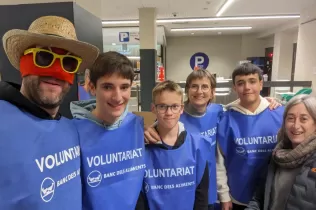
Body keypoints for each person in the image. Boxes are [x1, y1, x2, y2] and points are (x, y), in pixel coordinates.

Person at [144, 69, 281, 210]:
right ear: (187, 90)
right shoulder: (176, 116)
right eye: (194, 86)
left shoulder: (219, 112)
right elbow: (160, 125)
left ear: (212, 91)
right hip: (179, 186)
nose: (199, 91)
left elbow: (241, 105)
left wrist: (267, 101)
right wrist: (147, 129)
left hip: (211, 187)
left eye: (205, 86)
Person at [0, 16, 99, 209]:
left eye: (68, 63)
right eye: (44, 57)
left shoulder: (70, 128)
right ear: (23, 62)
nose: (56, 72)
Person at [70, 51, 146, 210]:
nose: (117, 97)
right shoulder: (72, 133)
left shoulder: (138, 127)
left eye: (124, 87)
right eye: (107, 87)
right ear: (92, 87)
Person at [217, 63, 284, 210]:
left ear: (261, 84)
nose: (247, 87)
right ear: (234, 88)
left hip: (274, 194)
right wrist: (224, 195)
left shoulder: (280, 114)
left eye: (252, 81)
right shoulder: (225, 119)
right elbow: (219, 162)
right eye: (241, 83)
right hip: (238, 197)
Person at [143, 80, 210, 210]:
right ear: (153, 109)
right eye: (162, 106)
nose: (169, 113)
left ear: (181, 109)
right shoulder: (142, 147)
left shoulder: (197, 146)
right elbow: (139, 197)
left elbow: (201, 196)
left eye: (174, 106)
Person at [246, 94, 316, 210]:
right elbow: (260, 198)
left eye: (304, 119)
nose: (296, 125)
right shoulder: (276, 157)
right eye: (290, 118)